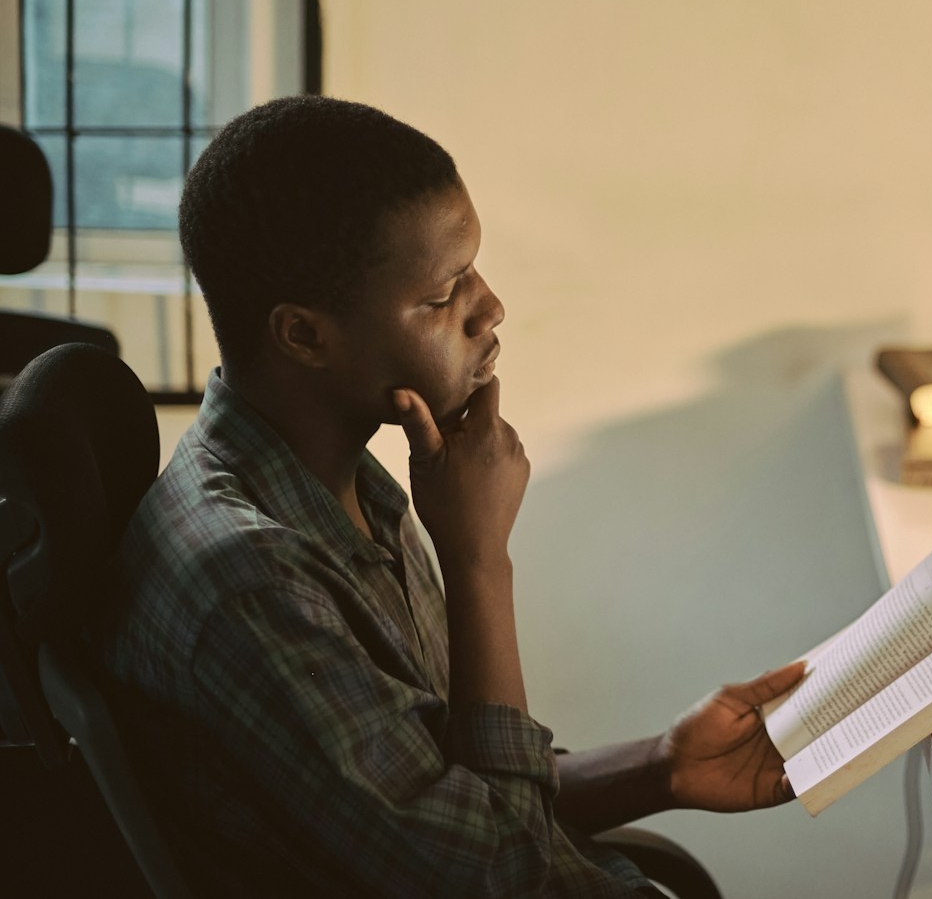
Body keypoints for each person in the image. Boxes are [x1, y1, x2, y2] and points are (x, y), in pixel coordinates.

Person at [98, 95, 806, 898]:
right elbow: (501, 872)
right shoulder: (252, 584)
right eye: (443, 296)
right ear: (304, 335)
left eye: (473, 270)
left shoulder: (348, 484)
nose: (490, 307)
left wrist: (662, 765)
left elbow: (456, 791)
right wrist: (478, 559)